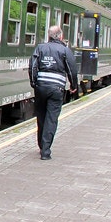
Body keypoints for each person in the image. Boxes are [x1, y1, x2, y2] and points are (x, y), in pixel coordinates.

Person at [28, 24, 79, 160]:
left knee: (41, 117)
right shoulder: (65, 50)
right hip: (57, 89)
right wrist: (74, 85)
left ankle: (41, 145)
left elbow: (32, 66)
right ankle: (45, 151)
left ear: (49, 36)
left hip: (41, 87)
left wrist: (34, 83)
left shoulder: (40, 48)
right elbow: (72, 69)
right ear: (61, 36)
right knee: (51, 119)